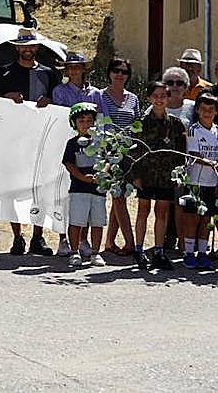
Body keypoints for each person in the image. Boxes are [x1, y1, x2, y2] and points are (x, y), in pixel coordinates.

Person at [0, 28, 57, 256]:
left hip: (41, 140)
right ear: (17, 48)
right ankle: (17, 237)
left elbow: (58, 103)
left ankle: (37, 237)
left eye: (31, 46)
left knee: (40, 190)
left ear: (37, 47)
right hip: (12, 140)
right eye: (23, 46)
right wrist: (6, 98)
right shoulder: (4, 72)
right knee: (12, 190)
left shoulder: (49, 74)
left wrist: (49, 101)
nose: (27, 50)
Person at [130, 82, 186, 270]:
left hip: (166, 176)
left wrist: (179, 175)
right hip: (146, 174)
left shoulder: (176, 124)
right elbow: (134, 150)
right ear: (149, 98)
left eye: (163, 95)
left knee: (162, 213)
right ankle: (139, 250)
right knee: (143, 211)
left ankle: (158, 251)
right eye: (155, 95)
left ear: (168, 98)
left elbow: (181, 152)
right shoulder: (141, 123)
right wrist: (136, 175)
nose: (159, 99)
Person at [98, 56, 138, 257]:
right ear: (109, 73)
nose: (120, 75)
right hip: (108, 154)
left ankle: (109, 242)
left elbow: (136, 126)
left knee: (119, 197)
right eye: (116, 71)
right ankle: (131, 243)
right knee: (118, 197)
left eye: (124, 72)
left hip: (128, 154)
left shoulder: (133, 99)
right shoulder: (99, 96)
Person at [179, 94, 218, 270]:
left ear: (216, 111)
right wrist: (211, 163)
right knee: (192, 218)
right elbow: (194, 155)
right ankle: (189, 253)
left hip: (212, 183)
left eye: (211, 109)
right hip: (195, 182)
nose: (207, 112)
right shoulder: (194, 130)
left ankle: (203, 253)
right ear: (197, 110)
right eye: (203, 109)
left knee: (206, 219)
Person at [62, 103, 106, 267]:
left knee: (97, 222)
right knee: (76, 222)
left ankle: (95, 253)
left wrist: (102, 173)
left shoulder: (101, 142)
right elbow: (69, 164)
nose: (86, 124)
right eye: (81, 121)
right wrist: (82, 177)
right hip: (78, 189)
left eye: (89, 121)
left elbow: (108, 160)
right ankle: (74, 252)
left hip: (98, 189)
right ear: (74, 123)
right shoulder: (72, 143)